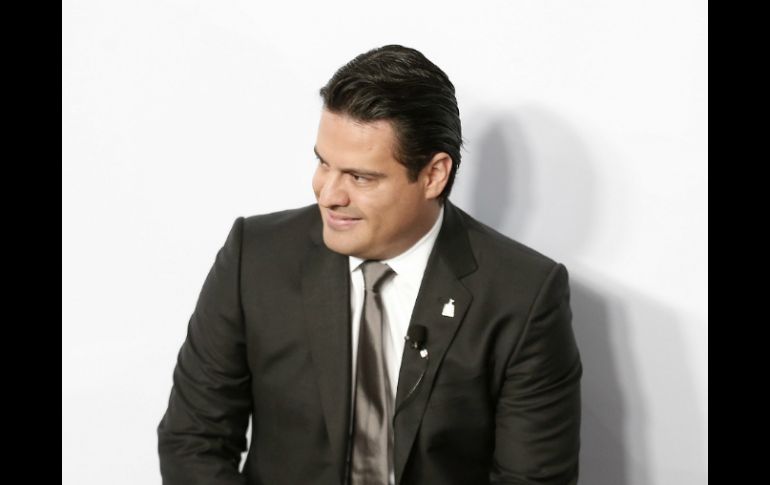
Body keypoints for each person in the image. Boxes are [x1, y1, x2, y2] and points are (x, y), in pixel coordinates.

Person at [157, 44, 582, 485]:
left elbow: (533, 479)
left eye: (360, 177)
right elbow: (193, 441)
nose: (328, 195)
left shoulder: (524, 295)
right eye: (324, 163)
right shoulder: (255, 257)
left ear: (433, 175)